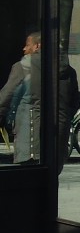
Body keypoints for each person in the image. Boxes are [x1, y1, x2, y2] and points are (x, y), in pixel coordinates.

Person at [0, 30, 42, 164]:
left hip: (28, 128)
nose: (24, 49)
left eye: (27, 45)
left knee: (28, 170)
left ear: (37, 46)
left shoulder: (22, 67)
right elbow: (73, 102)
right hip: (57, 138)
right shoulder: (65, 68)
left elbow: (7, 94)